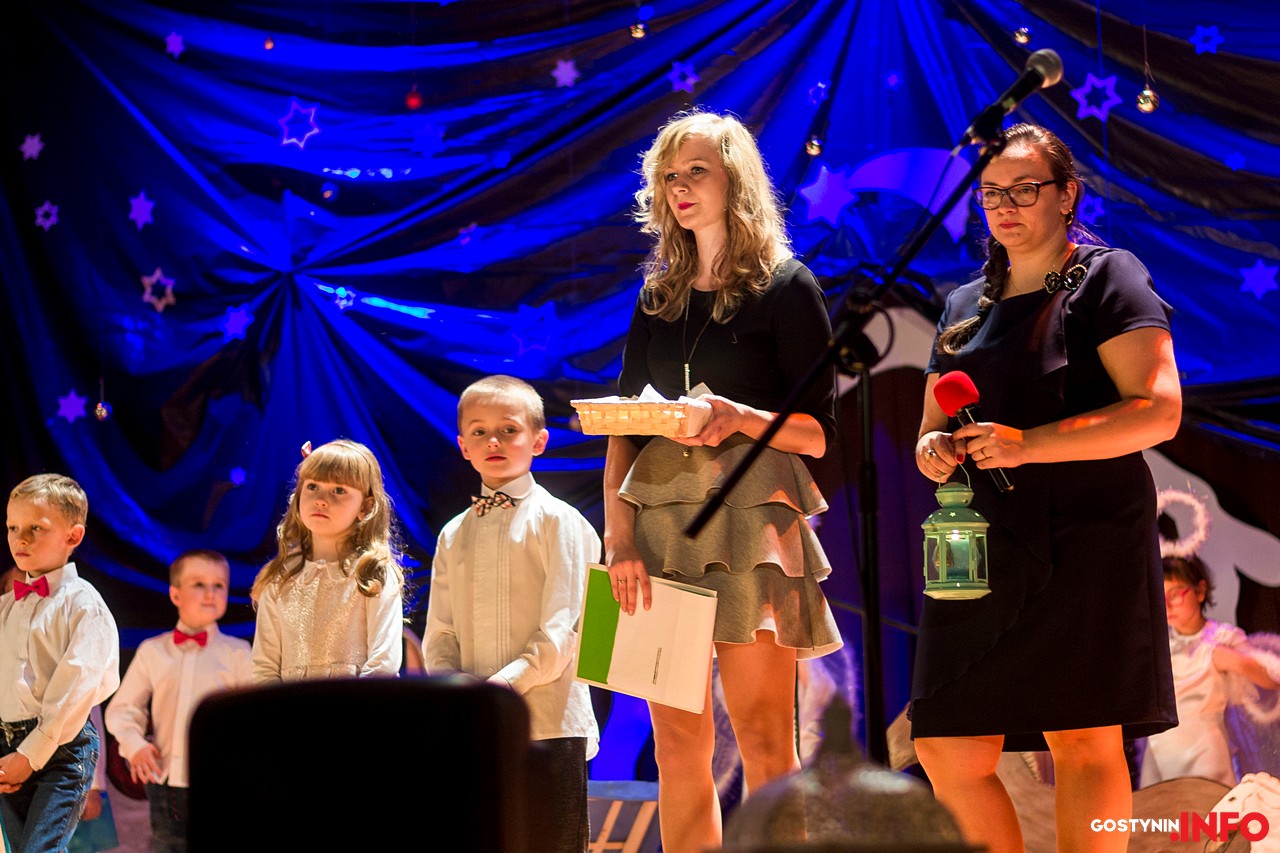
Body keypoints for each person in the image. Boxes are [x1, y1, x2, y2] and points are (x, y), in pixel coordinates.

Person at [909, 123, 1182, 853]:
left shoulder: (1107, 277)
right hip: (977, 548)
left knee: (1083, 735)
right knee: (945, 744)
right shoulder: (963, 303)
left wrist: (1028, 445)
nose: (1004, 206)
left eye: (1024, 189)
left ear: (1067, 196)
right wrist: (934, 449)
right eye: (990, 193)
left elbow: (1158, 410)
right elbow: (930, 427)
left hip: (1085, 533)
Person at [604, 109, 842, 853]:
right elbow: (625, 427)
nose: (679, 187)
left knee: (766, 737)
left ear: (735, 180)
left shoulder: (788, 286)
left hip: (751, 524)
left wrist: (741, 416)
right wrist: (618, 539)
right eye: (669, 176)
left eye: (696, 171)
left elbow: (818, 434)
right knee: (676, 744)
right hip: (656, 525)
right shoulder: (657, 295)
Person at [424, 374, 600, 853]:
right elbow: (440, 633)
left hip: (548, 724)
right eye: (479, 432)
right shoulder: (453, 534)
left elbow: (562, 632)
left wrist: (493, 692)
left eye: (509, 429)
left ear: (539, 441)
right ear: (463, 446)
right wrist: (456, 694)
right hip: (475, 727)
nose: (493, 441)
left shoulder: (559, 521)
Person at [0, 474, 121, 851]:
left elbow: (76, 688)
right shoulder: (6, 607)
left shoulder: (83, 604)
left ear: (73, 536)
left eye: (36, 528)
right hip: (8, 744)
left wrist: (30, 754)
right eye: (13, 527)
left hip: (61, 748)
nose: (21, 538)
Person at [106, 549, 254, 852]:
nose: (210, 593)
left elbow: (252, 717)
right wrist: (135, 745)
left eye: (219, 585)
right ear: (175, 594)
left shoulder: (239, 653)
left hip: (220, 782)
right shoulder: (153, 651)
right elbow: (122, 709)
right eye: (198, 584)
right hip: (167, 783)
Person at [251, 439, 404, 682]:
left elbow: (383, 663)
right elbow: (264, 668)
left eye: (339, 490)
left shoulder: (373, 573)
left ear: (366, 507)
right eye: (312, 486)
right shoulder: (279, 578)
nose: (321, 500)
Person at [1140, 554, 1280, 787]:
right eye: (1159, 596)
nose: (1166, 605)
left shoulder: (1222, 639)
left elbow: (1271, 678)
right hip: (1159, 750)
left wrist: (1233, 661)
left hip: (1204, 751)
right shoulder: (1160, 646)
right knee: (1161, 805)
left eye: (1174, 594)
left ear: (1200, 591)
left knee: (1205, 802)